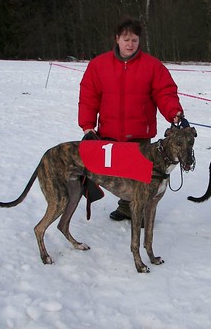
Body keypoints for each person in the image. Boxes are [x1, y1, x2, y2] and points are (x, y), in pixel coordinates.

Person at [78, 17, 187, 221]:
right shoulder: (98, 65)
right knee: (117, 175)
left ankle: (140, 212)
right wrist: (87, 125)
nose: (130, 44)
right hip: (109, 132)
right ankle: (126, 206)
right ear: (117, 39)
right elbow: (88, 96)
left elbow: (165, 92)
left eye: (134, 40)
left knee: (141, 176)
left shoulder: (152, 66)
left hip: (139, 133)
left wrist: (174, 112)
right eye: (126, 39)